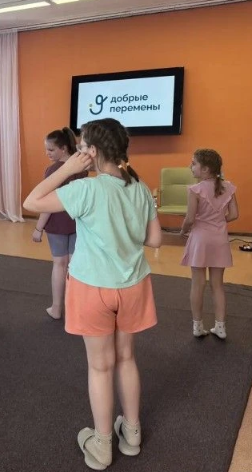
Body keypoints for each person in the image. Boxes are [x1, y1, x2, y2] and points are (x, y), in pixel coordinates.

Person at [24, 118, 162, 470]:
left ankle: (102, 446)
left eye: (83, 147)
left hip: (93, 288)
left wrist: (66, 168)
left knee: (100, 367)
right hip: (133, 285)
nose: (80, 152)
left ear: (94, 151)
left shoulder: (86, 188)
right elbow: (155, 239)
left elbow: (32, 201)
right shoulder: (140, 186)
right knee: (126, 358)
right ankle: (132, 434)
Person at [180, 149, 238, 340]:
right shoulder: (229, 187)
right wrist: (218, 221)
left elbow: (190, 219)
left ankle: (197, 326)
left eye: (193, 163)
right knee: (217, 285)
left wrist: (182, 231)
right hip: (219, 239)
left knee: (197, 284)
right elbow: (234, 214)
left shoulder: (194, 190)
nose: (190, 167)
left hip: (200, 240)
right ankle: (220, 327)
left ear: (205, 169)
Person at [32, 127, 87, 319]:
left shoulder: (54, 171)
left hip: (57, 224)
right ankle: (75, 309)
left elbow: (46, 204)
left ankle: (56, 309)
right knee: (74, 266)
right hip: (77, 222)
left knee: (59, 265)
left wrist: (38, 228)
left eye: (51, 150)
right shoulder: (82, 167)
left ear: (63, 148)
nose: (47, 153)